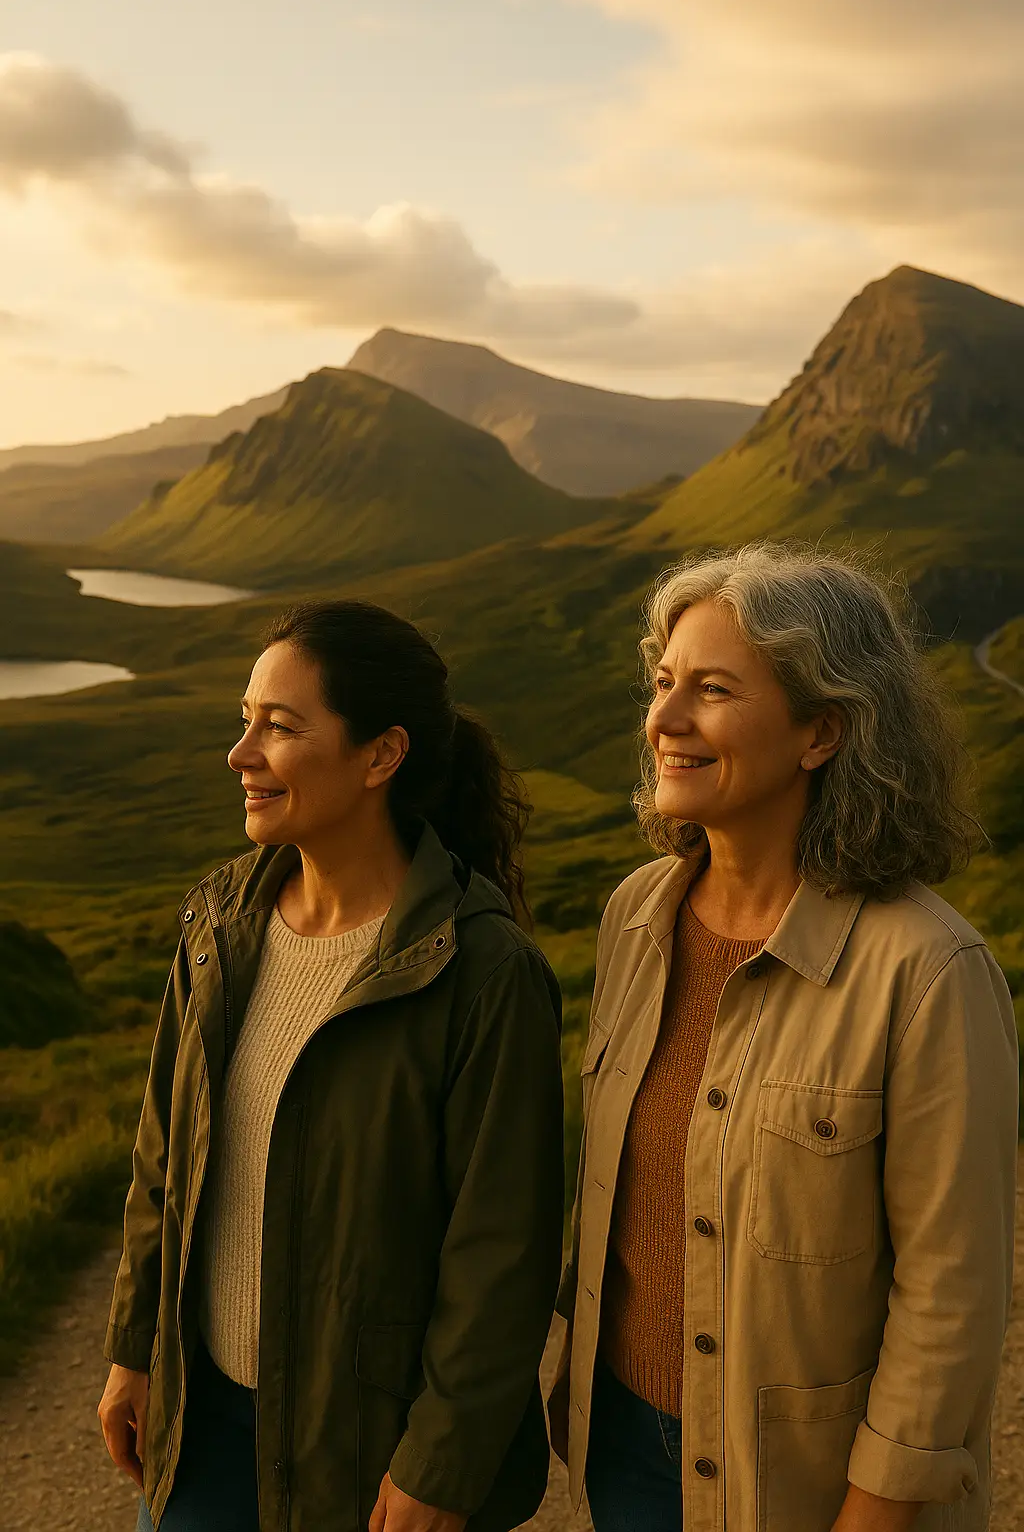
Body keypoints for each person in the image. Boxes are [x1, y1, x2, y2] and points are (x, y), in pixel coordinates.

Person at [549, 542, 1018, 1532]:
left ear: (820, 732)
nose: (663, 721)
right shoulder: (637, 913)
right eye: (664, 682)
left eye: (711, 691)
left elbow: (949, 1296)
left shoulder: (927, 970)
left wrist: (874, 1511)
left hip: (805, 1490)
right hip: (626, 1448)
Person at [97, 599, 565, 1532]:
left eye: (280, 726)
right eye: (245, 720)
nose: (241, 754)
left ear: (380, 756)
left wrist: (439, 1464)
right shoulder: (220, 921)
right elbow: (164, 1159)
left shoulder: (483, 972)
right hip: (202, 1428)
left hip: (367, 1448)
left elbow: (501, 1257)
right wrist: (134, 1345)